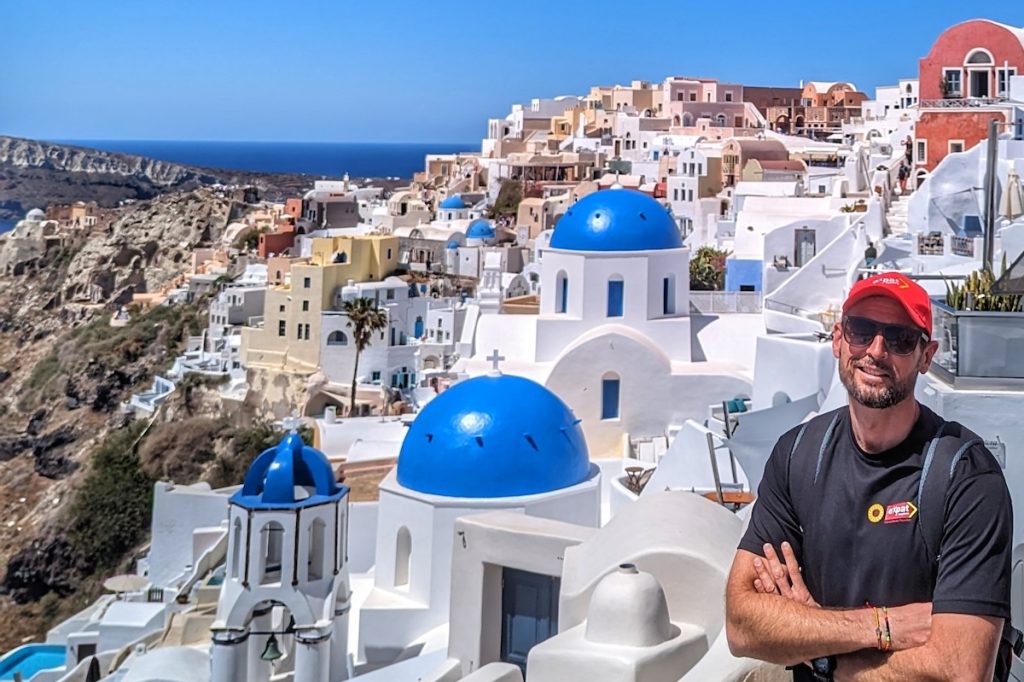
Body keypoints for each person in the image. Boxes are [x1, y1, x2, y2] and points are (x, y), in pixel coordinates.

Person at [725, 272, 1013, 681]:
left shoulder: (966, 477)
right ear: (838, 339)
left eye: (900, 339)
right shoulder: (797, 454)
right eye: (861, 330)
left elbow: (959, 670)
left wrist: (819, 651)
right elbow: (742, 624)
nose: (876, 351)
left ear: (926, 356)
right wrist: (883, 625)